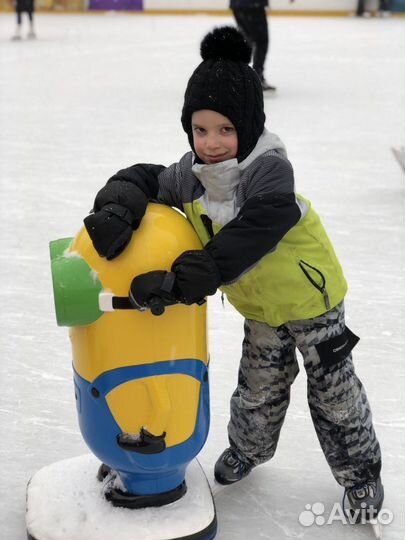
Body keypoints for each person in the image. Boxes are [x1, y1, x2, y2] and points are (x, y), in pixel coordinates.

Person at [83, 26, 384, 518]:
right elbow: (142, 176)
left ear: (247, 123)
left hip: (313, 302)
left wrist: (188, 278)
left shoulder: (269, 170)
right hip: (262, 309)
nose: (213, 143)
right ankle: (249, 450)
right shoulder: (194, 175)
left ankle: (361, 475)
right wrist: (120, 206)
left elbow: (254, 231)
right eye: (200, 130)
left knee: (334, 391)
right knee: (257, 386)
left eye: (226, 130)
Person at [230, 0, 295, 92]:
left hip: (237, 5)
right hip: (253, 6)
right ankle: (256, 78)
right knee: (260, 42)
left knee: (246, 40)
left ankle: (238, 76)